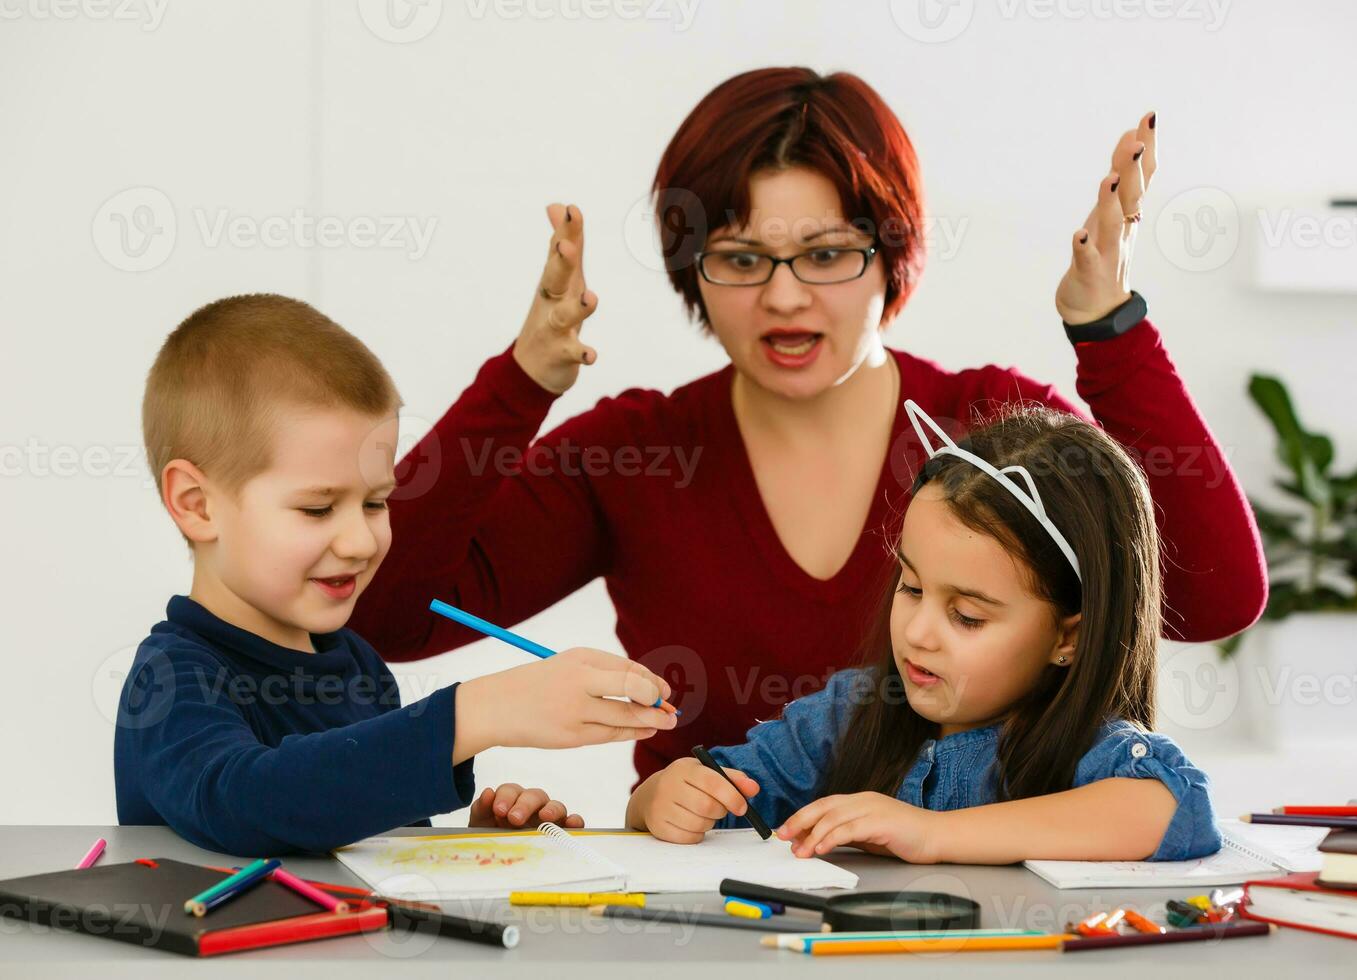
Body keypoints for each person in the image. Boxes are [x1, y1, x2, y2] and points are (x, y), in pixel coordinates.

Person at [349, 67, 1266, 787]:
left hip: (969, 897)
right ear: (690, 267)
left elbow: (1215, 597)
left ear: (891, 256)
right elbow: (386, 615)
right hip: (715, 901)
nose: (784, 298)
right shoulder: (634, 453)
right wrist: (520, 383)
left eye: (827, 254)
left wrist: (1108, 332)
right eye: (742, 257)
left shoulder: (990, 430)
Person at [115, 294, 674, 855]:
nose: (361, 542)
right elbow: (248, 800)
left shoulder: (358, 665)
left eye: (376, 503)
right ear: (197, 504)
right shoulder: (170, 678)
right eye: (317, 508)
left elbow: (358, 847)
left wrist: (470, 848)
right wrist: (475, 713)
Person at [627, 403, 1218, 862]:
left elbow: (1173, 807)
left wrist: (931, 833)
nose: (919, 632)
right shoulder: (845, 718)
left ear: (1071, 639)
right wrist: (664, 798)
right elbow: (708, 796)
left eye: (967, 617)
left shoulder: (1093, 752)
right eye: (910, 588)